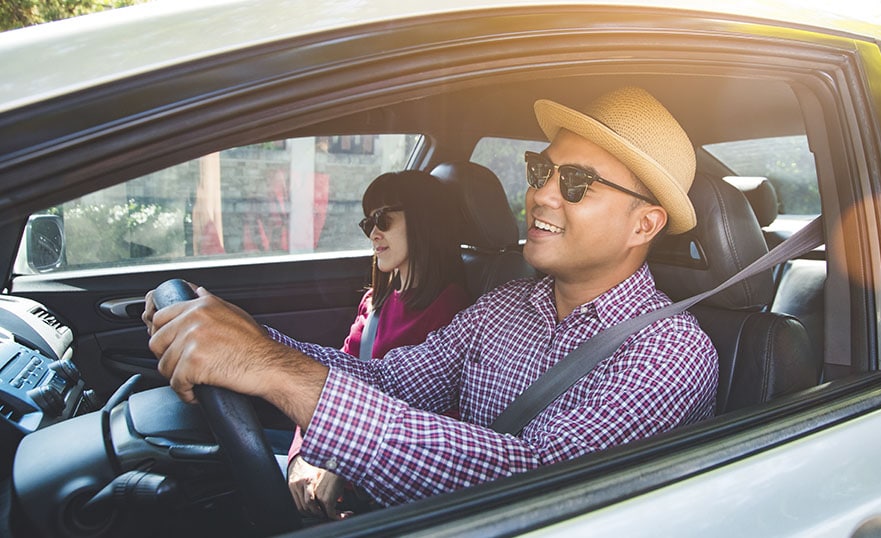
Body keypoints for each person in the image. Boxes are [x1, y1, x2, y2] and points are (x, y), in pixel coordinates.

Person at [146, 86, 719, 512]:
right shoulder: (507, 304)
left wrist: (280, 375)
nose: (541, 194)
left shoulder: (670, 354)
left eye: (576, 183)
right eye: (542, 169)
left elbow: (538, 484)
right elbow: (392, 382)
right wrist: (247, 339)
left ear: (644, 225)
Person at [285, 170, 470, 519]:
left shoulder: (451, 310)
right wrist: (302, 456)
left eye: (384, 219)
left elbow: (433, 423)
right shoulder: (374, 303)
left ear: (423, 222)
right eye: (368, 222)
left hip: (381, 490)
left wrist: (339, 464)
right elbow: (326, 384)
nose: (373, 233)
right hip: (335, 461)